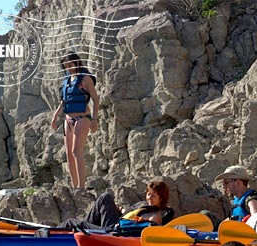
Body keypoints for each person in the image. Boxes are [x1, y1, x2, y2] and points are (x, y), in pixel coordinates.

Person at [51, 52, 99, 189]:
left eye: (70, 65)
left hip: (83, 118)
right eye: (66, 66)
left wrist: (94, 120)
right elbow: (64, 101)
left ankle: (81, 187)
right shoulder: (67, 80)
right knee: (69, 154)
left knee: (76, 151)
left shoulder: (85, 79)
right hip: (68, 119)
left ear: (77, 63)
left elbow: (96, 99)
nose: (68, 69)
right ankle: (74, 186)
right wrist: (55, 117)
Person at [58, 181, 174, 230]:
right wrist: (119, 209)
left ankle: (49, 234)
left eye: (153, 196)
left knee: (73, 222)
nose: (149, 198)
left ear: (161, 198)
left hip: (112, 232)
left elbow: (147, 228)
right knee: (104, 200)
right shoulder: (143, 206)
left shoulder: (155, 215)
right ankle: (55, 231)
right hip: (114, 224)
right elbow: (128, 215)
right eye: (148, 194)